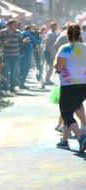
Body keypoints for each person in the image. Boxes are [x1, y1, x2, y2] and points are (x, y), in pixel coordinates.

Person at [54, 23, 86, 152]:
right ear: (80, 35)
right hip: (84, 84)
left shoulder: (65, 48)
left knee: (66, 112)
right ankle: (64, 141)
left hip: (69, 84)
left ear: (68, 35)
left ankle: (81, 136)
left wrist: (55, 65)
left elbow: (59, 67)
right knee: (71, 110)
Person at [0, 19, 23, 92]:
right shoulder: (2, 32)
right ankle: (6, 86)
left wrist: (23, 42)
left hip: (15, 55)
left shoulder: (18, 32)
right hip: (6, 55)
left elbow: (21, 42)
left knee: (13, 71)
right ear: (10, 25)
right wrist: (3, 43)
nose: (16, 26)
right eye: (14, 24)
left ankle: (12, 86)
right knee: (5, 71)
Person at [44, 22, 58, 86]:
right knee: (51, 67)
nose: (56, 27)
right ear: (51, 27)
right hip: (49, 52)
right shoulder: (50, 34)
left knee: (51, 67)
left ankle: (47, 79)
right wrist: (50, 53)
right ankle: (46, 80)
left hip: (52, 52)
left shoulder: (54, 33)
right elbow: (47, 44)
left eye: (56, 26)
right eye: (54, 26)